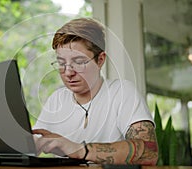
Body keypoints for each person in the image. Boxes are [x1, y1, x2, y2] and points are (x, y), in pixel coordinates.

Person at [32, 17, 158, 165]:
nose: (68, 72)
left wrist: (79, 150)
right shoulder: (56, 100)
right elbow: (31, 146)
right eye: (61, 63)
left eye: (78, 62)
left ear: (100, 60)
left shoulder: (122, 93)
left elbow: (149, 154)